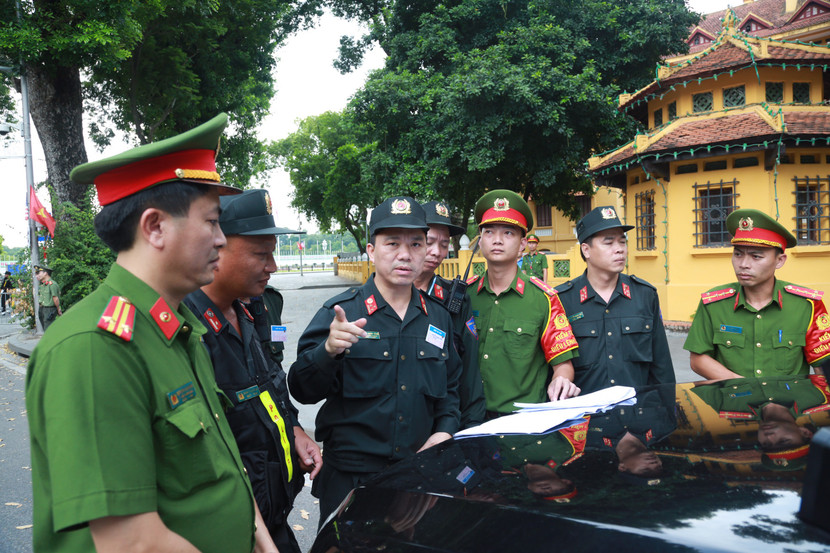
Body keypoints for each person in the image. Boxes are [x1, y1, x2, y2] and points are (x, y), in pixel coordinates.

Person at [26, 114, 276, 553]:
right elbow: (130, 543)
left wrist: (260, 538)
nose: (222, 239)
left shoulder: (179, 330)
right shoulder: (94, 347)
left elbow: (221, 467)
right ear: (155, 226)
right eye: (213, 222)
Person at [288, 196, 462, 525]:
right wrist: (327, 351)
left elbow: (450, 390)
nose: (404, 254)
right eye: (392, 243)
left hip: (416, 477)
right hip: (351, 478)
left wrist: (445, 432)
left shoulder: (437, 318)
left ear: (426, 250)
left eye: (415, 243)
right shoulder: (341, 312)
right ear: (371, 250)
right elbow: (302, 388)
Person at [184, 188, 322, 553]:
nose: (272, 266)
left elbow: (270, 385)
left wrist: (295, 430)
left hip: (272, 517)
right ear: (217, 247)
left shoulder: (248, 311)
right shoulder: (189, 330)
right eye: (261, 254)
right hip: (233, 529)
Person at [466, 189, 580, 416]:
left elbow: (563, 365)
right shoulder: (465, 296)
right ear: (480, 242)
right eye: (489, 232)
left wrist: (561, 382)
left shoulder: (543, 299)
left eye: (508, 233)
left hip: (522, 423)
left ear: (522, 244)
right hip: (468, 420)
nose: (497, 240)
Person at [684, 208, 830, 379]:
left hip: (789, 405)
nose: (744, 264)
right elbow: (698, 359)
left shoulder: (806, 304)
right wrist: (747, 389)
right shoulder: (714, 303)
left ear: (779, 260)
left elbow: (823, 366)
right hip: (732, 402)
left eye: (756, 256)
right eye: (738, 254)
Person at [555, 206, 674, 394]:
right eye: (609, 243)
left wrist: (666, 417)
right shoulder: (563, 300)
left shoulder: (645, 295)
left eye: (622, 242)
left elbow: (662, 367)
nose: (619, 250)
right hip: (584, 418)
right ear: (586, 250)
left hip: (636, 416)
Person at [413, 200, 485, 429]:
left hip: (445, 423)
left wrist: (471, 427)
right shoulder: (386, 296)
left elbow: (469, 372)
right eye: (430, 242)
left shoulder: (454, 298)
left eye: (444, 244)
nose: (437, 252)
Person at [34, 264, 62, 330]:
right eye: (36, 273)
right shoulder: (42, 284)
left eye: (38, 273)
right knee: (45, 328)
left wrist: (58, 309)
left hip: (49, 309)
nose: (36, 276)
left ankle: (51, 340)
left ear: (45, 273)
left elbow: (55, 298)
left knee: (48, 329)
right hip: (42, 308)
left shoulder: (52, 284)